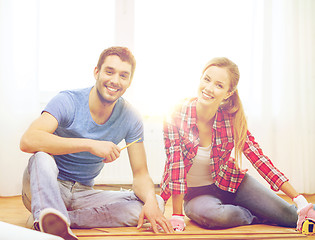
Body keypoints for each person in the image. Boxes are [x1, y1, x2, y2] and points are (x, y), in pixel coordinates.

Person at [20, 46, 173, 240]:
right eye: (109, 72)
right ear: (96, 72)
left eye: (123, 75)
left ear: (129, 81)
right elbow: (28, 140)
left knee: (156, 203)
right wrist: (90, 144)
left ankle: (57, 220)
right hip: (47, 187)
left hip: (83, 193)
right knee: (41, 157)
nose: (115, 81)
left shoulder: (131, 117)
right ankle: (48, 213)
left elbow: (141, 174)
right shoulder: (68, 101)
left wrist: (150, 200)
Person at [160, 57, 315, 233]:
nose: (209, 88)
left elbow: (259, 159)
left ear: (228, 93)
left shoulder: (232, 118)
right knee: (216, 216)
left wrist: (299, 199)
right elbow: (175, 164)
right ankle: (257, 215)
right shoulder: (175, 114)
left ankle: (295, 210)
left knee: (291, 217)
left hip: (232, 182)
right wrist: (177, 215)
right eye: (207, 79)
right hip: (197, 194)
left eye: (219, 85)